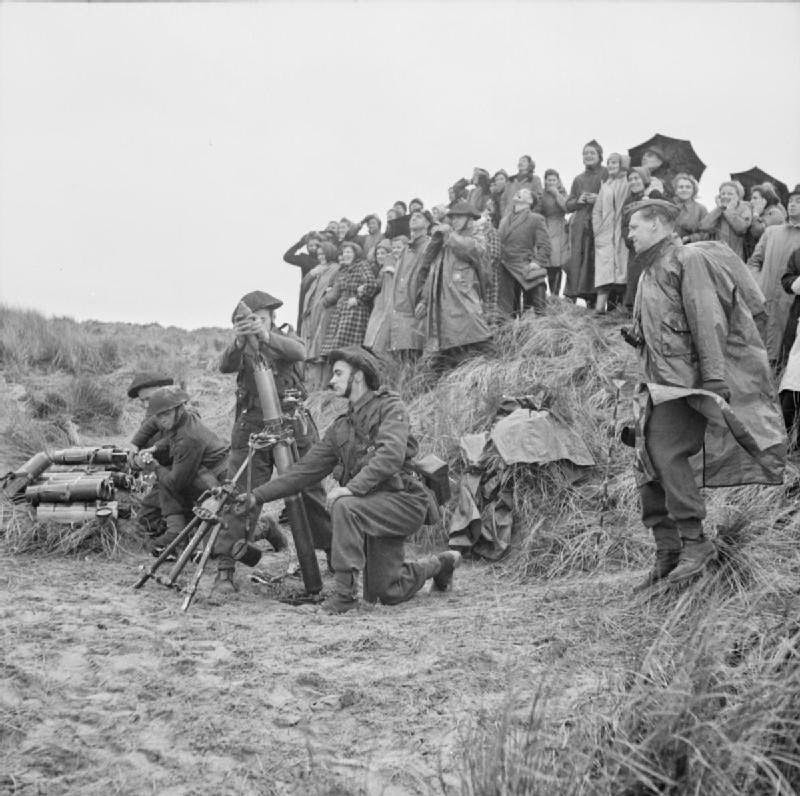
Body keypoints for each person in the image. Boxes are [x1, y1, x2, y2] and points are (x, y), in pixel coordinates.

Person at [625, 198, 785, 590]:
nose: (629, 234)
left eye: (634, 226)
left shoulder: (687, 260)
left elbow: (705, 316)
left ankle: (695, 545)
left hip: (684, 384)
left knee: (666, 453)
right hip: (655, 382)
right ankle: (667, 551)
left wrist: (713, 377)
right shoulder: (648, 270)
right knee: (647, 461)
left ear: (659, 224)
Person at [235, 347, 461, 614]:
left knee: (345, 505)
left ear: (358, 376)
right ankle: (441, 564)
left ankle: (344, 596)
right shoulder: (342, 427)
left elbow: (390, 456)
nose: (332, 380)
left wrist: (350, 489)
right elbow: (302, 472)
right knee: (385, 593)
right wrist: (256, 496)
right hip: (370, 510)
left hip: (404, 502)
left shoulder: (390, 407)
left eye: (339, 373)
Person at [219, 290, 325, 581]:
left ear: (272, 318)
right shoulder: (239, 348)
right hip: (252, 427)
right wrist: (241, 342)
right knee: (241, 495)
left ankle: (328, 559)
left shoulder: (285, 338)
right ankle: (225, 570)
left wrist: (265, 336)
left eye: (261, 319)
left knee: (311, 494)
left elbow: (300, 353)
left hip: (293, 425)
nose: (255, 324)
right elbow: (224, 365)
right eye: (249, 321)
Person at [139, 386, 231, 577]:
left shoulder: (188, 438)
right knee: (150, 509)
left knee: (226, 538)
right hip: (203, 477)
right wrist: (154, 449)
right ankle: (179, 533)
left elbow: (175, 483)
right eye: (159, 416)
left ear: (178, 409)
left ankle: (178, 534)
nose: (162, 419)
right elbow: (171, 439)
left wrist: (154, 466)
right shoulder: (183, 420)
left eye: (166, 414)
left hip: (217, 484)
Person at [418, 201, 494, 371]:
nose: (454, 220)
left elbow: (474, 251)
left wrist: (449, 234)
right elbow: (433, 272)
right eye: (452, 217)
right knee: (447, 355)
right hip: (444, 310)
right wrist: (424, 299)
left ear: (469, 218)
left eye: (459, 217)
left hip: (466, 305)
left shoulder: (476, 235)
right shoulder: (445, 241)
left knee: (479, 341)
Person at [747, 185, 800, 363]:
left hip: (791, 302)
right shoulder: (771, 232)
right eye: (791, 201)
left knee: (783, 350)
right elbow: (754, 261)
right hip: (765, 296)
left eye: (798, 202)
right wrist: (758, 282)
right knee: (757, 345)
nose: (793, 205)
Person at [127, 371, 175, 537]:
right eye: (143, 401)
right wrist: (136, 461)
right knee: (146, 520)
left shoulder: (180, 412)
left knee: (149, 519)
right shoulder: (150, 418)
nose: (147, 405)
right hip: (163, 476)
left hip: (186, 475)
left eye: (150, 398)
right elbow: (139, 447)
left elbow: (177, 444)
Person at [565, 140, 608, 305]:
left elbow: (613, 197)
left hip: (599, 223)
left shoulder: (606, 174)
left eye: (592, 153)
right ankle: (573, 298)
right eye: (585, 153)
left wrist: (599, 198)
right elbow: (568, 205)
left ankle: (595, 301)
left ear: (599, 156)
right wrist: (579, 200)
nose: (588, 156)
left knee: (595, 261)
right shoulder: (578, 179)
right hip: (580, 225)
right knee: (577, 261)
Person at [498, 188, 552, 316]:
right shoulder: (503, 220)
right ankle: (510, 331)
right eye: (518, 191)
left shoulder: (536, 218)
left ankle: (541, 323)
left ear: (530, 201)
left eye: (525, 192)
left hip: (524, 265)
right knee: (507, 312)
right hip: (504, 267)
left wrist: (537, 262)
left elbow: (545, 245)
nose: (519, 192)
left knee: (538, 295)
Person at [321, 241, 379, 354]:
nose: (345, 255)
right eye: (343, 252)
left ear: (355, 253)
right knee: (335, 348)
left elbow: (371, 284)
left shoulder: (362, 265)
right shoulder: (344, 270)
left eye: (348, 252)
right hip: (341, 311)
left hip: (355, 312)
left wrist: (358, 299)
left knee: (348, 349)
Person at [390, 210, 432, 360]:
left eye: (419, 216)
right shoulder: (406, 249)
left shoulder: (430, 245)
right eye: (412, 217)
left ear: (427, 224)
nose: (414, 218)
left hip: (416, 311)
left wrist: (425, 300)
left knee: (414, 356)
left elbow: (432, 275)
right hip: (399, 313)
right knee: (401, 360)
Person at [300, 241, 341, 391]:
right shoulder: (318, 270)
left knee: (319, 352)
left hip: (325, 314)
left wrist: (323, 302)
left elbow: (334, 291)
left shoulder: (336, 268)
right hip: (311, 315)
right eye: (319, 255)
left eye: (323, 254)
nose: (321, 257)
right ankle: (311, 387)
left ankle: (321, 388)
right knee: (309, 351)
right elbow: (303, 286)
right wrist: (312, 273)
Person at [592, 153, 630, 313]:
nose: (611, 165)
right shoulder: (605, 185)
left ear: (621, 164)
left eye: (614, 162)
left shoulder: (628, 182)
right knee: (604, 271)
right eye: (609, 163)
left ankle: (620, 309)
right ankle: (600, 308)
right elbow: (597, 210)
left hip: (621, 231)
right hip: (606, 233)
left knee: (622, 270)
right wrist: (598, 230)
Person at [778, 244, 800, 442]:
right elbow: (787, 279)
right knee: (793, 383)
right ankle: (785, 438)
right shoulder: (798, 253)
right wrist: (796, 283)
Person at [699, 180, 752, 261]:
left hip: (736, 257)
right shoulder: (718, 210)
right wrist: (719, 209)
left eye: (730, 194)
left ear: (738, 196)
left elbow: (741, 229)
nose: (725, 196)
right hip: (716, 257)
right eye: (723, 194)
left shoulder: (745, 209)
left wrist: (729, 211)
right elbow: (704, 227)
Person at [363, 238, 399, 352]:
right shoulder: (379, 269)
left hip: (385, 308)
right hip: (379, 306)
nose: (379, 256)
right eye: (377, 253)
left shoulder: (389, 267)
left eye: (383, 253)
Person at [539, 169, 570, 297]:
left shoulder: (562, 192)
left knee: (559, 262)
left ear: (558, 181)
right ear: (545, 181)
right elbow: (538, 210)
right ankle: (550, 294)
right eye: (549, 180)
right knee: (549, 262)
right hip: (546, 227)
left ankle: (556, 294)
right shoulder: (542, 194)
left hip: (560, 227)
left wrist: (556, 194)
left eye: (554, 180)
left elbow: (567, 208)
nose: (551, 182)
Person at [283, 232, 322, 332]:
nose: (313, 248)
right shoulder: (304, 258)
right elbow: (287, 257)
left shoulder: (325, 259)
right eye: (310, 246)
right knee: (303, 318)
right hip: (306, 293)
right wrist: (300, 243)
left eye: (316, 245)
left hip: (321, 291)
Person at [745, 184, 787, 261]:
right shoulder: (763, 213)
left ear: (765, 200)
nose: (751, 201)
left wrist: (756, 214)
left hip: (771, 260)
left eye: (755, 198)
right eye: (751, 198)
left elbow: (757, 232)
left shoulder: (775, 213)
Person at [672, 173, 708, 244]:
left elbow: (706, 233)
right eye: (681, 187)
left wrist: (689, 238)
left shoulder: (701, 209)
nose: (684, 190)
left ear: (693, 190)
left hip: (693, 249)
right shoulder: (669, 207)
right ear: (676, 191)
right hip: (669, 248)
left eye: (688, 187)